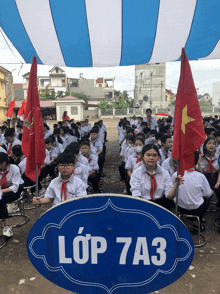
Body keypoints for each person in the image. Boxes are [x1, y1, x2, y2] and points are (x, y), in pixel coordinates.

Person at [130, 144, 184, 210]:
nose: (151, 158)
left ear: (158, 157)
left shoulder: (164, 173)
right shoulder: (136, 173)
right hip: (143, 203)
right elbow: (136, 194)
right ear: (142, 157)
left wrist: (175, 185)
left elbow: (170, 196)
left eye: (154, 155)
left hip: (161, 205)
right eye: (148, 155)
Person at [171, 151, 212, 232]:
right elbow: (207, 194)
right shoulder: (201, 176)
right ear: (197, 162)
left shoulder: (176, 174)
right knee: (208, 197)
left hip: (179, 208)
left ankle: (181, 221)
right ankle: (197, 224)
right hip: (196, 210)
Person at [0, 152, 24, 237]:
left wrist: (1, 191)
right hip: (3, 189)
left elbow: (15, 187)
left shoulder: (14, 168)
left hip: (15, 190)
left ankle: (7, 225)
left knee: (1, 200)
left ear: (3, 163)